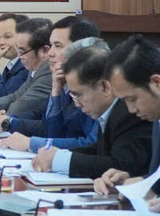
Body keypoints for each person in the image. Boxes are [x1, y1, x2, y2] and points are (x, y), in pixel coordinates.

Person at [30, 44, 152, 179]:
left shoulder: (129, 113)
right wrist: (58, 154)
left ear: (104, 87)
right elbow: (99, 151)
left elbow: (123, 166)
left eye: (78, 95)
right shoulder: (108, 111)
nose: (77, 104)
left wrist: (60, 159)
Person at [0, 17, 101, 145]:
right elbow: (53, 130)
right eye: (51, 45)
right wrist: (56, 90)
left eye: (58, 46)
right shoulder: (61, 80)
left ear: (82, 51)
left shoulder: (95, 86)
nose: (50, 53)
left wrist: (31, 143)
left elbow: (91, 144)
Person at [93, 35, 160, 211]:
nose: (131, 110)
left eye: (132, 99)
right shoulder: (156, 119)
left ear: (156, 83)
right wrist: (136, 183)